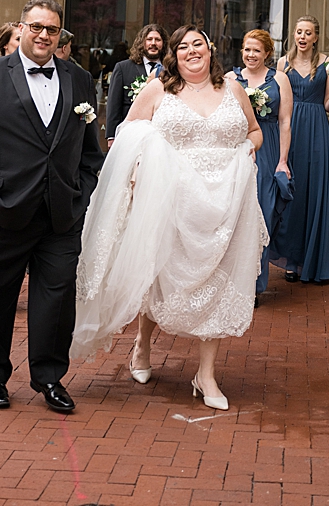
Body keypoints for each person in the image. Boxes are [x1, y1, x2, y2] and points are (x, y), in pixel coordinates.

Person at [72, 25, 266, 411]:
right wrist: (138, 165)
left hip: (227, 201)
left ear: (210, 50)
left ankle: (205, 374)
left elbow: (256, 131)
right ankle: (142, 346)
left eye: (199, 44)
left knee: (219, 281)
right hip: (171, 199)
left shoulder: (234, 90)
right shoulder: (158, 89)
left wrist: (249, 149)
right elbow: (129, 131)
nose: (192, 51)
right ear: (173, 55)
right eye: (184, 47)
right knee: (159, 273)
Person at [0, 0, 104, 414]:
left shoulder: (79, 79)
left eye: (52, 30)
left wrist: (80, 195)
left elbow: (90, 153)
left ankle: (50, 377)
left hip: (60, 215)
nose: (44, 36)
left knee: (56, 300)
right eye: (36, 27)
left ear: (60, 34)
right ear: (21, 27)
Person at [274, 16, 329, 284]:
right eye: (299, 32)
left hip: (317, 133)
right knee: (294, 192)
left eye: (308, 33)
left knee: (316, 193)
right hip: (290, 129)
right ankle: (291, 260)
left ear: (315, 37)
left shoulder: (328, 65)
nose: (302, 37)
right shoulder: (282, 64)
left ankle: (316, 260)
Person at [231, 29, 292, 299]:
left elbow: (285, 122)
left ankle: (254, 285)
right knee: (234, 215)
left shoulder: (280, 79)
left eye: (256, 50)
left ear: (267, 53)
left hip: (267, 152)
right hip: (237, 150)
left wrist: (283, 161)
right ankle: (233, 281)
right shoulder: (230, 79)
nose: (250, 55)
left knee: (263, 216)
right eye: (247, 49)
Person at [104, 24, 166, 143]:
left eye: (158, 40)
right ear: (142, 43)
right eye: (149, 39)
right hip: (131, 134)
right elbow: (114, 104)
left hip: (161, 135)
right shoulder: (123, 68)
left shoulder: (171, 69)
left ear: (163, 44)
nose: (153, 43)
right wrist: (111, 136)